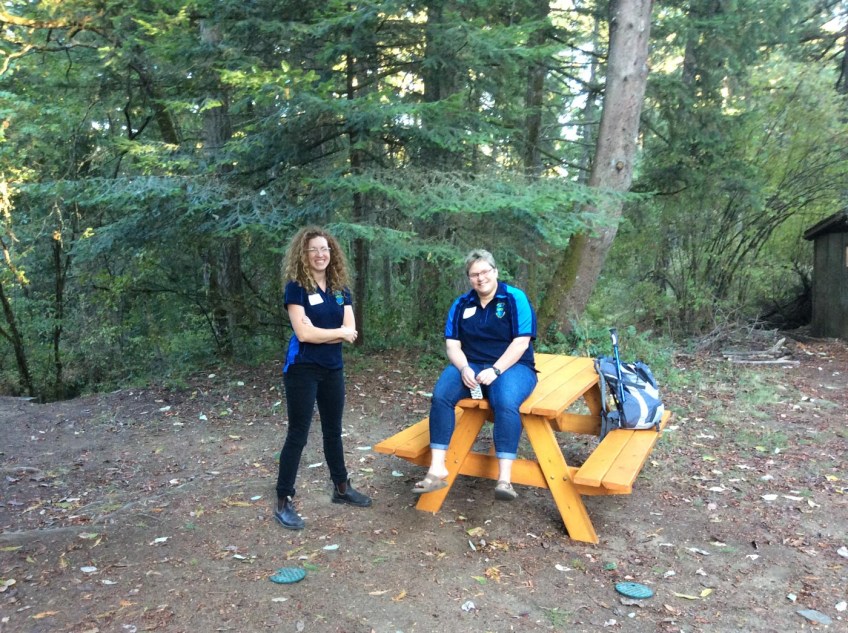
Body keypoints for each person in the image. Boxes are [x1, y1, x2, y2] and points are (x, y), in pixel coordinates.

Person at [413, 249, 538, 501]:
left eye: (485, 272)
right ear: (469, 278)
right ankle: (437, 470)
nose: (480, 278)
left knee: (505, 401)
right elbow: (452, 345)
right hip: (471, 365)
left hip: (513, 366)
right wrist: (464, 368)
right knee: (441, 396)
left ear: (495, 272)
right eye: (474, 274)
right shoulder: (462, 304)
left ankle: (504, 480)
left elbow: (521, 342)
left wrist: (496, 370)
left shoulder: (514, 298)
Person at [274, 226, 372, 530]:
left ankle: (341, 488)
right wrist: (337, 333)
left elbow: (351, 333)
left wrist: (325, 333)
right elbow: (303, 334)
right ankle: (283, 500)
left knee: (333, 431)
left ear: (332, 253)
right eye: (313, 249)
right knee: (298, 434)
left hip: (333, 369)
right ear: (303, 254)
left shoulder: (340, 289)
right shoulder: (296, 288)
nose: (320, 254)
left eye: (325, 249)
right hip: (302, 368)